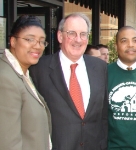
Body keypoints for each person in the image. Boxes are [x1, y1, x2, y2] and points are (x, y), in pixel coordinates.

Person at [29, 13, 108, 150]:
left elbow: (103, 115)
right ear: (60, 36)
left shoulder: (100, 67)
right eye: (72, 33)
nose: (78, 40)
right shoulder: (38, 69)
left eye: (83, 34)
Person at [0, 15, 51, 150]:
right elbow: (8, 143)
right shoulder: (5, 78)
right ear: (12, 41)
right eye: (30, 39)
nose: (37, 46)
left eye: (42, 41)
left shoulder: (22, 73)